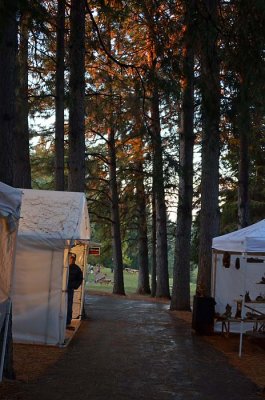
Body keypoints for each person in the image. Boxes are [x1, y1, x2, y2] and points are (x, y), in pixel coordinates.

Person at [66, 255, 83, 330]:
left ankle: (67, 322)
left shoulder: (77, 269)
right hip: (61, 289)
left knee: (69, 306)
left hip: (69, 289)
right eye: (70, 259)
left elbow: (80, 279)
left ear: (74, 260)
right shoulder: (64, 266)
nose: (71, 260)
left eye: (72, 259)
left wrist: (74, 286)